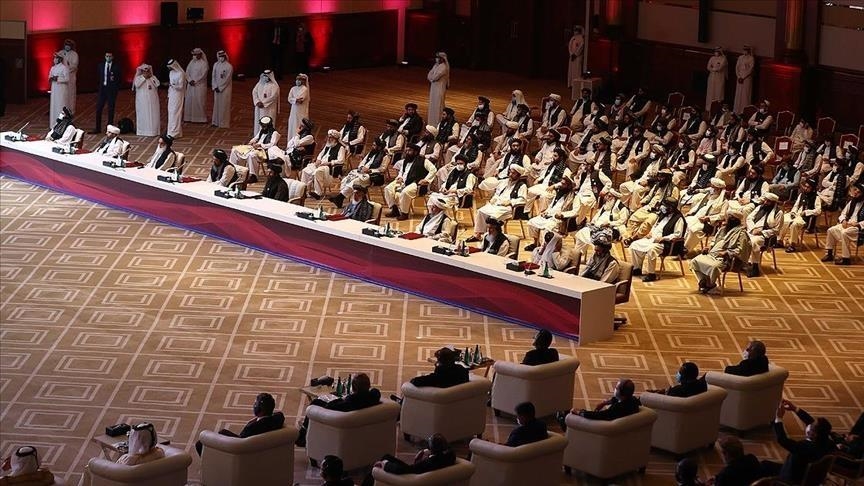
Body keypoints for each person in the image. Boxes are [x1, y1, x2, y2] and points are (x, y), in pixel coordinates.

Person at [296, 373, 381, 447]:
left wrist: (342, 399)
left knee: (315, 402)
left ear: (354, 387)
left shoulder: (350, 401)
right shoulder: (374, 396)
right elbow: (374, 391)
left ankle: (303, 434)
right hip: (359, 420)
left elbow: (330, 406)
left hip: (337, 417)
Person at [760, 401, 835, 483]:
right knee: (765, 464)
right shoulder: (828, 442)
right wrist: (794, 409)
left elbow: (782, 440)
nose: (809, 425)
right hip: (803, 472)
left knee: (763, 467)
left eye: (811, 426)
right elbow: (810, 422)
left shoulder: (804, 447)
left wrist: (778, 418)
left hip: (790, 478)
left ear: (815, 434)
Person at [194, 392, 285, 456]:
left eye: (255, 404)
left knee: (200, 443)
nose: (253, 406)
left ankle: (211, 465)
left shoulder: (252, 428)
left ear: (258, 409)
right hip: (260, 452)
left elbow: (240, 441)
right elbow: (278, 414)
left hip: (241, 452)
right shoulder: (277, 419)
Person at [689, 207, 750, 294]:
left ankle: (710, 284)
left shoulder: (741, 233)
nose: (727, 220)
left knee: (714, 267)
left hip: (726, 259)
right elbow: (714, 241)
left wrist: (727, 252)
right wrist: (708, 248)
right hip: (711, 254)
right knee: (695, 261)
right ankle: (704, 281)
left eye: (730, 218)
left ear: (735, 220)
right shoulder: (723, 229)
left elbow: (741, 249)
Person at [629, 197, 684, 282]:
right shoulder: (662, 214)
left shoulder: (678, 218)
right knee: (634, 245)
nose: (662, 207)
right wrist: (650, 233)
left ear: (671, 208)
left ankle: (651, 274)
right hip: (653, 239)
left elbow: (678, 234)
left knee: (652, 250)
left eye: (665, 206)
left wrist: (664, 238)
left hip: (666, 244)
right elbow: (656, 226)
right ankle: (637, 268)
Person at [366, 434, 456, 485]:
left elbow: (403, 470)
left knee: (384, 460)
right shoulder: (450, 456)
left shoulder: (430, 462)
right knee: (387, 456)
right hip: (413, 472)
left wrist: (385, 464)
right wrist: (428, 451)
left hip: (409, 475)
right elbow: (447, 449)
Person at [471, 165, 527, 241]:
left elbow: (522, 200)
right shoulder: (504, 182)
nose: (510, 175)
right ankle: (478, 235)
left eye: (513, 173)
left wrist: (510, 202)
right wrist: (494, 199)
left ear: (518, 175)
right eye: (510, 172)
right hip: (497, 204)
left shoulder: (522, 186)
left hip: (508, 208)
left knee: (492, 217)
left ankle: (493, 236)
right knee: (481, 211)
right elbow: (497, 193)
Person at [383, 144, 435, 221]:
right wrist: (399, 177)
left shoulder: (423, 160)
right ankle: (394, 209)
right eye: (406, 150)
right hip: (403, 181)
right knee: (388, 188)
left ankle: (404, 213)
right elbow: (401, 171)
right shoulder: (405, 160)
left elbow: (433, 170)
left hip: (416, 183)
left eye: (409, 150)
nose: (407, 152)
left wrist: (426, 180)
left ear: (415, 152)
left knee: (405, 192)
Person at [331, 139, 387, 208]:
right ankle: (340, 198)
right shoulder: (371, 152)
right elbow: (363, 162)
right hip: (362, 172)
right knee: (348, 178)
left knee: (355, 181)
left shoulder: (385, 156)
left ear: (379, 147)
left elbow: (383, 169)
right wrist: (361, 167)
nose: (372, 146)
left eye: (374, 145)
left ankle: (340, 198)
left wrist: (370, 171)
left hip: (374, 176)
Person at [822, 182, 864, 266]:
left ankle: (846, 259)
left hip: (858, 228)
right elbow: (843, 213)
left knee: (844, 233)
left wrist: (858, 224)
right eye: (855, 190)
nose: (856, 192)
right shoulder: (852, 201)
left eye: (859, 192)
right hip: (848, 224)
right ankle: (829, 253)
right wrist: (843, 220)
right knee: (831, 230)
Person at [682, 177, 728, 253]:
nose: (711, 188)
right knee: (683, 223)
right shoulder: (708, 196)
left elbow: (722, 215)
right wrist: (690, 212)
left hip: (708, 223)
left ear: (718, 189)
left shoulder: (724, 201)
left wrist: (708, 218)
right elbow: (699, 206)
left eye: (713, 187)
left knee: (694, 230)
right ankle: (679, 246)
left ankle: (686, 249)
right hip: (696, 217)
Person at [745, 192, 783, 277]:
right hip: (752, 230)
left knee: (754, 242)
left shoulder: (779, 213)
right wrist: (753, 229)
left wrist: (761, 232)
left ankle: (755, 267)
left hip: (766, 236)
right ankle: (742, 262)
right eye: (765, 200)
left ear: (773, 203)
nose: (765, 202)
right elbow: (749, 218)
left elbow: (776, 230)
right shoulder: (760, 207)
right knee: (740, 238)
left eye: (768, 201)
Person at [232, 116, 281, 182]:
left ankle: (253, 176)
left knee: (252, 155)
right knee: (235, 150)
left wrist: (260, 145)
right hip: (255, 148)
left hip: (264, 151)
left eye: (264, 126)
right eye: (262, 126)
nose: (263, 127)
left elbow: (272, 144)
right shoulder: (262, 131)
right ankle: (234, 170)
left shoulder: (275, 133)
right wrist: (251, 142)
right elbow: (255, 138)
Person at [303, 129, 346, 199]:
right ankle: (304, 190)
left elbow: (341, 160)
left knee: (318, 172)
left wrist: (329, 163)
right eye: (328, 137)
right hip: (320, 164)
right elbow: (321, 154)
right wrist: (318, 160)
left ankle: (318, 193)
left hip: (329, 167)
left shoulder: (340, 148)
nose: (328, 139)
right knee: (305, 170)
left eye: (330, 137)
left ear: (335, 139)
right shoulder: (327, 145)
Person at [571, 378, 640, 422]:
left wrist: (580, 412)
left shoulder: (616, 408)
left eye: (616, 388)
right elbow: (617, 399)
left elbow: (599, 415)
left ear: (621, 392)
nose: (615, 389)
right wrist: (604, 403)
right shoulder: (633, 400)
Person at [782, 178, 821, 252]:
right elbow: (796, 206)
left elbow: (818, 211)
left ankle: (793, 244)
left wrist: (806, 212)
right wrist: (793, 212)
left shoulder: (816, 197)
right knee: (783, 220)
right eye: (805, 186)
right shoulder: (801, 195)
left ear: (812, 188)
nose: (805, 188)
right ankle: (779, 240)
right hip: (796, 215)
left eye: (808, 187)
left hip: (805, 218)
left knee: (794, 224)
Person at [92, 51, 120, 134]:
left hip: (111, 90)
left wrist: (115, 89)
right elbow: (98, 77)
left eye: (110, 56)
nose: (108, 57)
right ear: (105, 57)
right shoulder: (101, 66)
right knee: (99, 108)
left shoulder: (116, 67)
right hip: (102, 90)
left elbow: (119, 79)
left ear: (112, 57)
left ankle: (109, 128)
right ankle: (98, 128)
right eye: (107, 56)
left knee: (111, 109)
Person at [133, 64, 160, 136]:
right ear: (141, 71)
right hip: (142, 102)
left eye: (147, 71)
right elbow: (137, 84)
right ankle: (143, 131)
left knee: (154, 116)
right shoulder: (138, 78)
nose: (146, 72)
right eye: (144, 71)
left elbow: (157, 84)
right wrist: (144, 77)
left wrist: (151, 77)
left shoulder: (153, 77)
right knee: (144, 115)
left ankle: (154, 131)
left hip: (153, 101)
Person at [183, 48, 208, 123]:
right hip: (191, 85)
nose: (194, 56)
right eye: (193, 55)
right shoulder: (191, 62)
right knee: (190, 100)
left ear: (200, 54)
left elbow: (203, 75)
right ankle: (188, 118)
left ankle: (200, 119)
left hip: (199, 85)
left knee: (199, 101)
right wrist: (189, 80)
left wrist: (195, 81)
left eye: (195, 54)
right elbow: (187, 72)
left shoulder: (204, 64)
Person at [252, 70, 279, 136]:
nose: (265, 77)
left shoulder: (274, 86)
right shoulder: (259, 84)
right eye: (264, 76)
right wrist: (257, 101)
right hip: (259, 107)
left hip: (268, 108)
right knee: (258, 122)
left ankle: (267, 137)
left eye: (267, 76)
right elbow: (254, 92)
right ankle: (257, 136)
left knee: (268, 122)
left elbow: (273, 97)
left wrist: (263, 103)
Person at [211, 50, 233, 128]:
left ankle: (223, 123)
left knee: (224, 105)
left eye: (222, 56)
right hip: (217, 88)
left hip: (225, 89)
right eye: (220, 56)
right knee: (216, 105)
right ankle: (215, 122)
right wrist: (215, 86)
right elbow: (213, 76)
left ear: (225, 56)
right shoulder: (216, 65)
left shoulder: (229, 66)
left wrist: (220, 88)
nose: (221, 58)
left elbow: (227, 79)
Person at [426, 52, 449, 126]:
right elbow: (429, 75)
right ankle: (431, 122)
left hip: (439, 89)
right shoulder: (436, 65)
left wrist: (432, 78)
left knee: (438, 105)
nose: (437, 59)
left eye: (438, 57)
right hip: (433, 88)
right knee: (432, 104)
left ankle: (437, 123)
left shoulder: (443, 67)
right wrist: (432, 78)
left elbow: (435, 77)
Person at [165, 59, 186, 139]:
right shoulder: (171, 73)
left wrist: (173, 85)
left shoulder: (181, 73)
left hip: (178, 95)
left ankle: (175, 132)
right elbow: (170, 85)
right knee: (171, 112)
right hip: (172, 95)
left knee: (176, 112)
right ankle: (171, 131)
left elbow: (180, 86)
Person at [47, 51, 69, 125]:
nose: (55, 59)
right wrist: (51, 78)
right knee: (54, 105)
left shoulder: (64, 68)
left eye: (56, 58)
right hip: (54, 89)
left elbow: (67, 79)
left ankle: (61, 124)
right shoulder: (53, 68)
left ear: (60, 59)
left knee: (60, 105)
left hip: (61, 89)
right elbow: (49, 76)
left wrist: (58, 78)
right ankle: (53, 124)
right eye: (54, 58)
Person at [286, 73, 310, 139]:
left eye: (299, 79)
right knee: (293, 123)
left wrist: (294, 99)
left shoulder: (305, 89)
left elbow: (301, 100)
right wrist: (296, 100)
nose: (297, 81)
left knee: (299, 123)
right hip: (293, 110)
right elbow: (289, 98)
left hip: (301, 110)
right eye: (297, 79)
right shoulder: (293, 88)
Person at [59, 38, 79, 114]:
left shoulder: (74, 54)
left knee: (70, 93)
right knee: (62, 94)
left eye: (69, 45)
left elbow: (74, 66)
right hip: (62, 77)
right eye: (66, 45)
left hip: (70, 77)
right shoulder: (61, 53)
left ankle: (71, 110)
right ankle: (61, 109)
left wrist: (68, 65)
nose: (67, 47)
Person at [733, 45, 754, 114]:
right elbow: (737, 67)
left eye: (746, 50)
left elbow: (750, 69)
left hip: (746, 78)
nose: (744, 51)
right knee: (738, 93)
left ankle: (744, 110)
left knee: (745, 94)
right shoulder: (740, 57)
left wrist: (743, 77)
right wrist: (738, 76)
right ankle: (737, 110)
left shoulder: (751, 58)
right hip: (739, 77)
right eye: (744, 50)